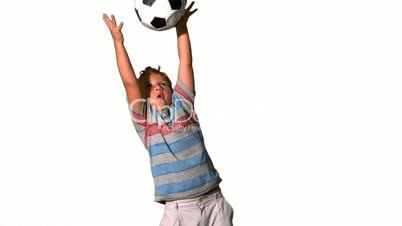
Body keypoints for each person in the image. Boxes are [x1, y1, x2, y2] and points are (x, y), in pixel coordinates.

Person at [103, 2, 234, 225]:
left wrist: (181, 26)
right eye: (151, 86)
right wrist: (118, 43)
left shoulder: (184, 105)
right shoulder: (145, 121)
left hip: (213, 200)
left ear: (173, 90)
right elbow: (129, 83)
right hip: (179, 209)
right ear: (143, 98)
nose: (158, 88)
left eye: (163, 83)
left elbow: (186, 62)